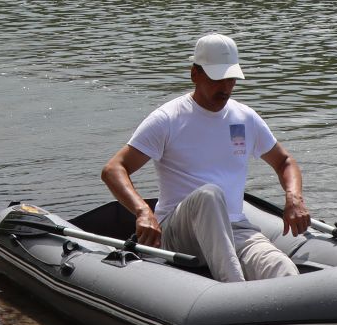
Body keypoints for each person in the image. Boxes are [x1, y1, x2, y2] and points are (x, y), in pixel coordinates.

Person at [100, 33, 309, 283]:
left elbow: (284, 162)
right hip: (179, 233)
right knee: (209, 194)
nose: (225, 88)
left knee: (281, 268)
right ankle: (235, 292)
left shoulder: (245, 118)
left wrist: (294, 199)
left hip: (237, 229)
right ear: (195, 74)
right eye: (217, 78)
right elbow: (114, 168)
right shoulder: (168, 119)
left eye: (231, 79)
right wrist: (143, 212)